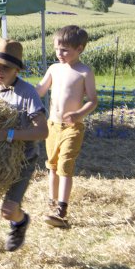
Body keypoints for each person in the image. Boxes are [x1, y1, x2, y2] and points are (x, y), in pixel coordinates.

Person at [0, 38, 48, 266]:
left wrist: (9, 134)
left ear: (17, 70)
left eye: (5, 67)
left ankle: (21, 221)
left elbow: (42, 131)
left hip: (21, 160)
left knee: (8, 211)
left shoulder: (27, 94)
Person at [36, 25, 97, 228]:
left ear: (79, 49)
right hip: (52, 126)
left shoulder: (84, 72)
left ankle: (62, 210)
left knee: (65, 167)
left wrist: (79, 113)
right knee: (52, 167)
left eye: (65, 50)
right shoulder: (54, 69)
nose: (59, 54)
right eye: (56, 49)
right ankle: (52, 204)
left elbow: (93, 100)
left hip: (73, 128)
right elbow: (40, 91)